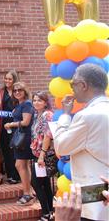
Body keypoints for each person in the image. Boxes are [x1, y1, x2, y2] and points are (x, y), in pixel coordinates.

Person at [54, 63, 109, 221]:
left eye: (73, 84)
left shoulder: (86, 116)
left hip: (95, 201)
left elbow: (61, 147)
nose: (71, 88)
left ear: (83, 85)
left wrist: (65, 115)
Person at [4, 81, 34, 205]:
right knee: (24, 165)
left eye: (19, 90)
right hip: (20, 137)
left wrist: (10, 124)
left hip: (24, 138)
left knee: (20, 165)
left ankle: (28, 194)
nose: (17, 92)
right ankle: (30, 192)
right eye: (15, 90)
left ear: (25, 91)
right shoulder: (19, 104)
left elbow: (26, 122)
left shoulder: (26, 104)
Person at [30, 91, 55, 221]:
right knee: (44, 183)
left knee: (35, 182)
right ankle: (49, 212)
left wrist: (41, 156)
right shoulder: (37, 114)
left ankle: (46, 212)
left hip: (44, 155)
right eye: (34, 100)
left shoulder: (47, 115)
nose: (36, 102)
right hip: (38, 154)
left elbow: (48, 136)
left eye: (39, 100)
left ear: (46, 102)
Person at [0, 70, 20, 184]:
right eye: (6, 78)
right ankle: (10, 174)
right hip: (4, 124)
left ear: (14, 80)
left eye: (9, 79)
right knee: (6, 150)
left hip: (15, 124)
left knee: (15, 149)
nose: (7, 81)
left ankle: (17, 175)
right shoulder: (1, 92)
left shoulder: (18, 91)